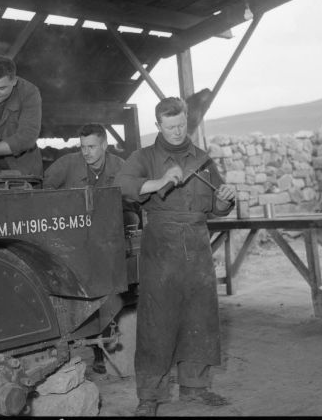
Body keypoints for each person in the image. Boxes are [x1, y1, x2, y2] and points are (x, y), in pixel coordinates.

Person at [115, 97, 235, 417]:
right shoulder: (144, 157)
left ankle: (196, 388)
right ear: (158, 126)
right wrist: (160, 181)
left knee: (200, 316)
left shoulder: (203, 160)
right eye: (170, 127)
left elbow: (216, 207)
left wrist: (225, 199)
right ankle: (150, 396)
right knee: (157, 320)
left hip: (197, 244)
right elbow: (122, 185)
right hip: (160, 247)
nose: (177, 131)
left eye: (181, 124)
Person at [43, 122, 139, 374]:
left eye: (92, 147)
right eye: (83, 147)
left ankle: (100, 348)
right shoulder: (66, 165)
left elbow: (135, 201)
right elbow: (43, 193)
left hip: (108, 236)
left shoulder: (120, 167)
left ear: (105, 145)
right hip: (73, 236)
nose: (87, 152)